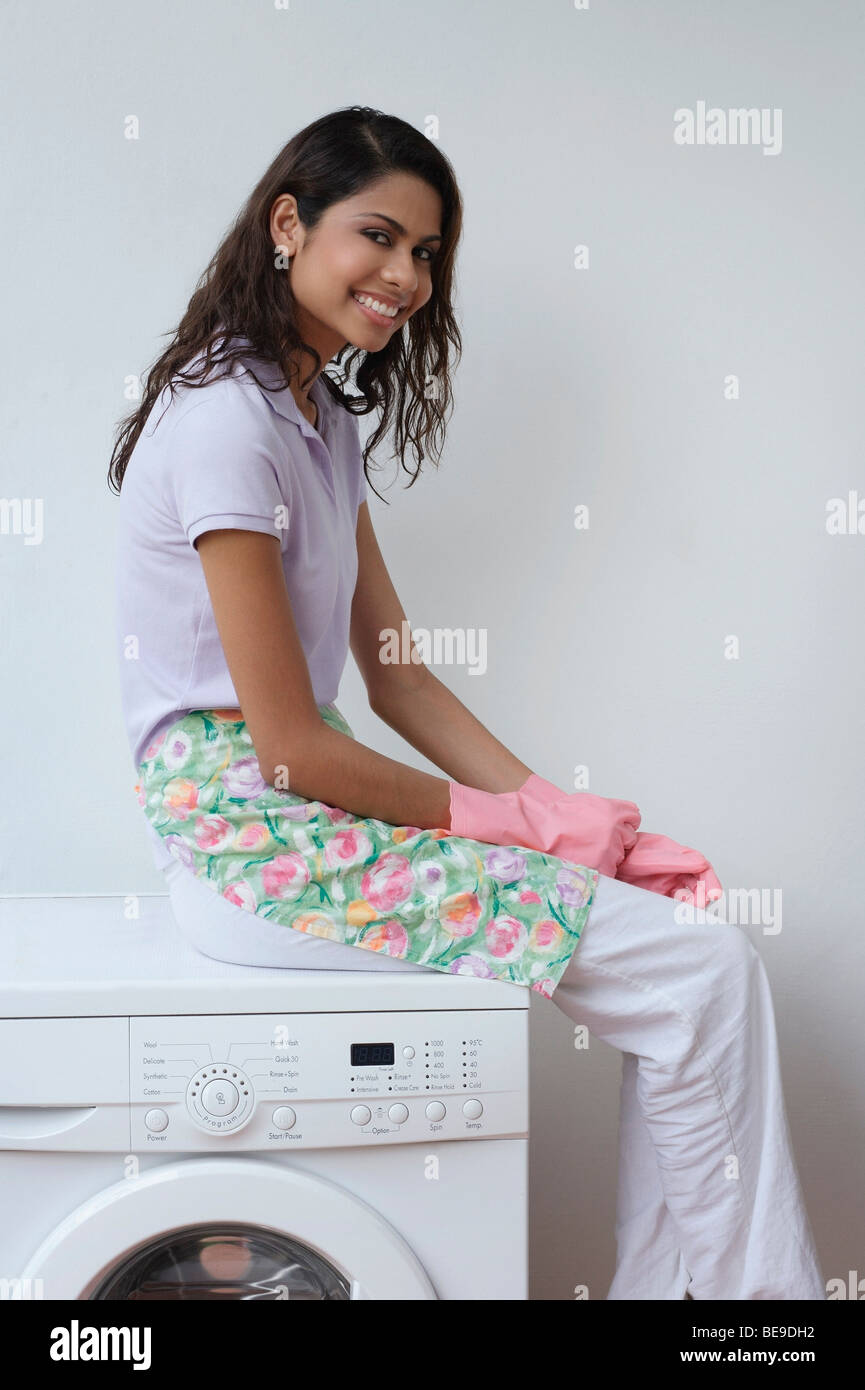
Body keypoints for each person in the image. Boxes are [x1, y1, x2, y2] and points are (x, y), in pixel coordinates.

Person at [110, 105, 825, 1300]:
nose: (404, 276)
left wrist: (583, 822)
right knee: (702, 976)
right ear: (288, 225)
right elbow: (285, 750)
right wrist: (542, 832)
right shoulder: (227, 423)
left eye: (428, 253)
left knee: (693, 969)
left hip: (306, 818)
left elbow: (394, 672)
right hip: (252, 843)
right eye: (377, 237)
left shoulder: (315, 417)